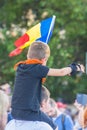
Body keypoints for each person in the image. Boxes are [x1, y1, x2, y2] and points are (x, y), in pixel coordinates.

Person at [5, 41, 84, 130]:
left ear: (27, 56)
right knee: (55, 126)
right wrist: (73, 68)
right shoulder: (38, 69)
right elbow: (61, 72)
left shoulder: (20, 68)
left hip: (15, 112)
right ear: (44, 59)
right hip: (30, 113)